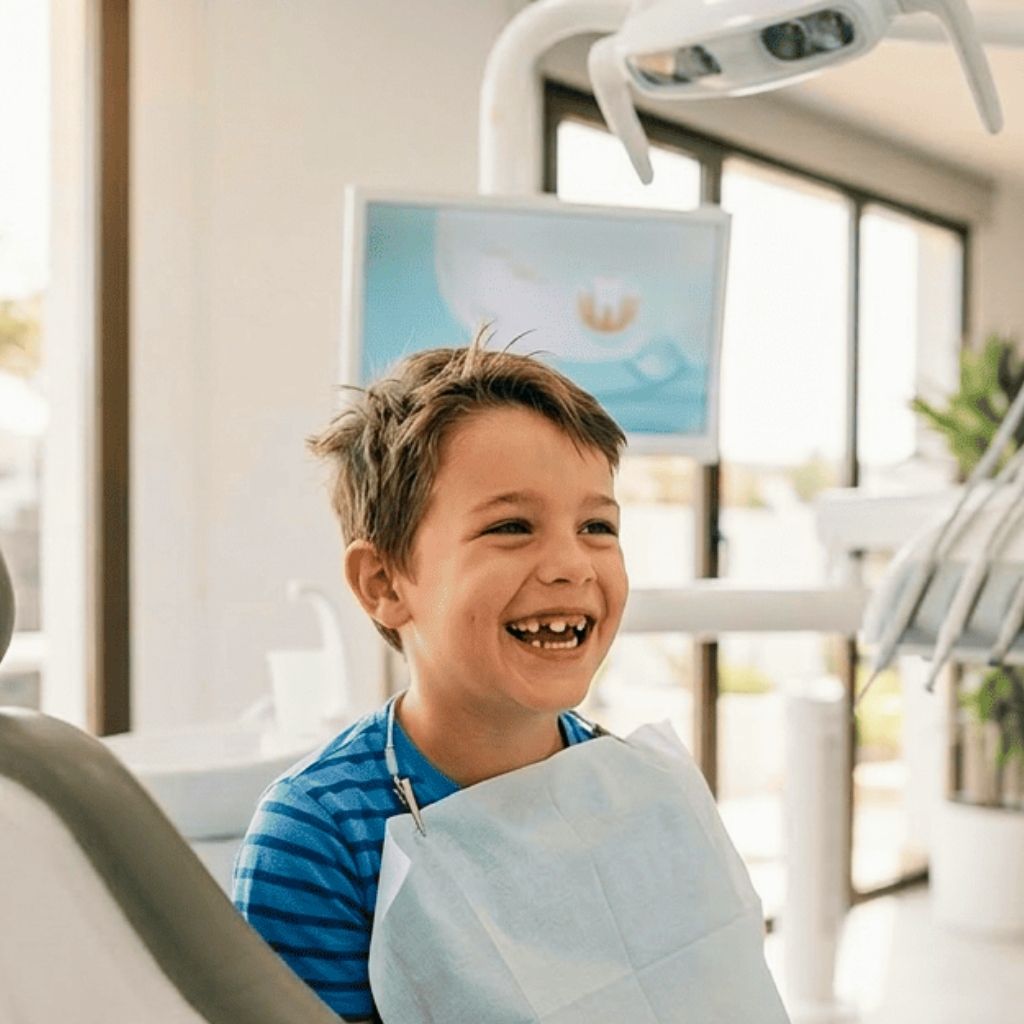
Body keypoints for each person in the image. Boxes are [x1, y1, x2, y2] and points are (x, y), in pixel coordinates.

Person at [232, 330, 630, 1021]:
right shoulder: (318, 839)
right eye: (511, 526)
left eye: (597, 525)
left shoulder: (630, 789)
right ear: (384, 582)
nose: (573, 564)